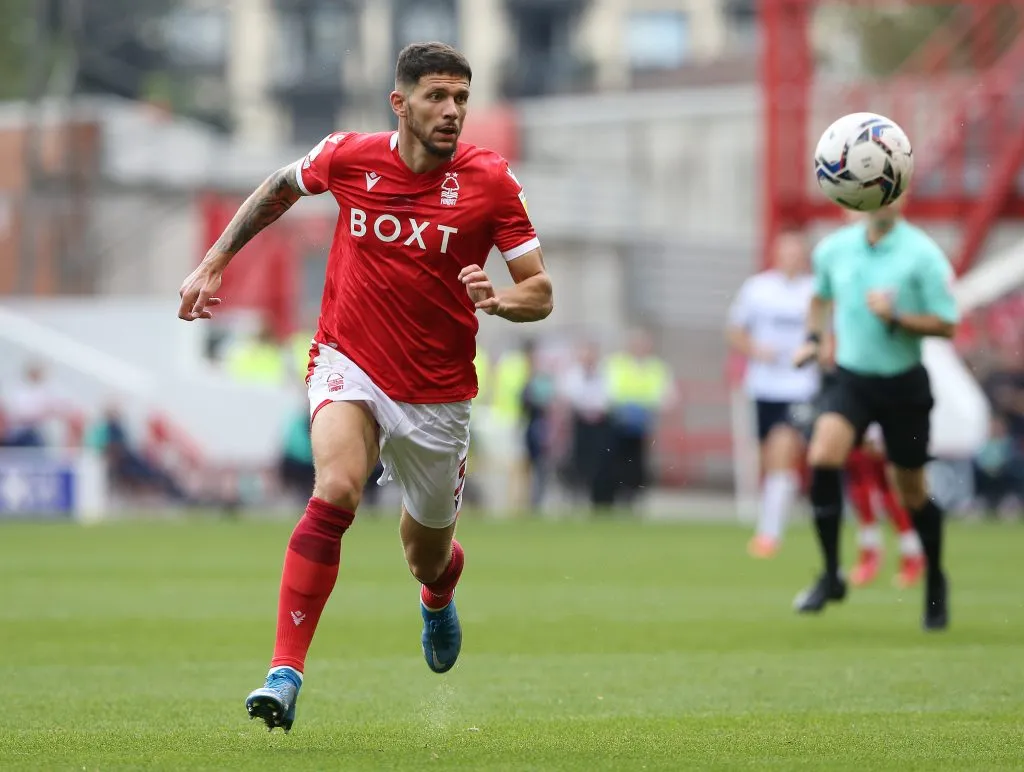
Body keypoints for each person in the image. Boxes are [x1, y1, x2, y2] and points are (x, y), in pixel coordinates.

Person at [176, 42, 552, 732]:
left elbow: (541, 291)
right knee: (337, 489)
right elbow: (279, 187)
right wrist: (213, 263)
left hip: (437, 395)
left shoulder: (490, 181)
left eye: (462, 99)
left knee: (426, 554)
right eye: (437, 96)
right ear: (400, 102)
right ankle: (283, 673)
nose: (452, 112)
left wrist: (499, 299)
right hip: (348, 360)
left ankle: (438, 595)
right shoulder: (349, 157)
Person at [791, 195, 958, 630]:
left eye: (895, 190)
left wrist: (898, 317)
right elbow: (819, 297)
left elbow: (947, 323)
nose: (885, 199)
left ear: (904, 199)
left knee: (912, 493)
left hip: (904, 383)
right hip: (853, 378)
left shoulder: (922, 254)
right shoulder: (834, 249)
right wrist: (812, 338)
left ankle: (935, 579)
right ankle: (831, 576)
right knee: (823, 456)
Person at [726, 230, 818, 557]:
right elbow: (735, 330)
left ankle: (769, 533)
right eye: (786, 251)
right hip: (763, 386)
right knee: (769, 459)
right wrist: (755, 349)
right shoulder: (757, 289)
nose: (791, 257)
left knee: (783, 450)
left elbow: (826, 335)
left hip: (799, 387)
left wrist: (813, 353)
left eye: (797, 252)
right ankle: (774, 521)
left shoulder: (814, 290)